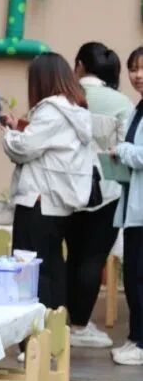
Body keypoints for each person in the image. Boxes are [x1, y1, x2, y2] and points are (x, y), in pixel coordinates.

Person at [0, 52, 96, 309]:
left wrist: (8, 134)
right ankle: (55, 327)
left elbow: (24, 148)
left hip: (38, 202)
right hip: (58, 205)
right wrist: (22, 128)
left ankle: (35, 329)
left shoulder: (51, 110)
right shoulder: (75, 110)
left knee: (30, 269)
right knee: (53, 265)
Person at [67, 42, 135, 348]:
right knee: (93, 258)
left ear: (80, 65)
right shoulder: (121, 103)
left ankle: (65, 321)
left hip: (68, 188)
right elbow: (125, 148)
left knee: (72, 256)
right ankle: (80, 326)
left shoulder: (65, 96)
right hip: (107, 190)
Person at [111, 44, 143, 367]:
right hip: (135, 208)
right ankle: (136, 338)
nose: (138, 75)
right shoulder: (138, 108)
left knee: (139, 277)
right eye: (133, 69)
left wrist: (121, 151)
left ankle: (141, 343)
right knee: (133, 275)